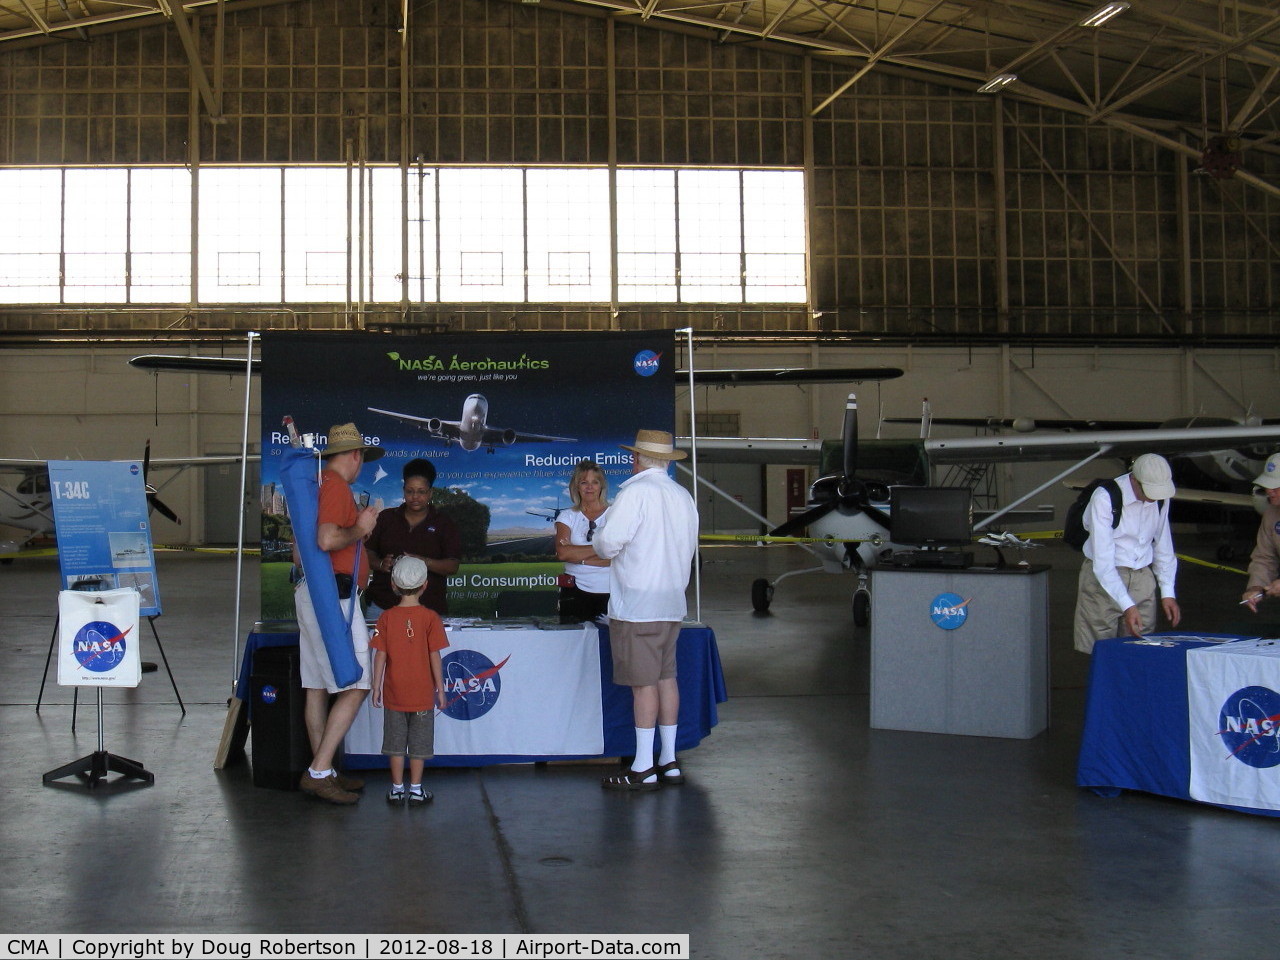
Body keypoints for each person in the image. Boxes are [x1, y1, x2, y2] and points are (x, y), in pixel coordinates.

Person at [591, 429, 699, 791]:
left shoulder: (635, 493)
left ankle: (642, 766)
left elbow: (607, 545)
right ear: (666, 461)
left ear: (636, 459)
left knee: (643, 686)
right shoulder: (682, 495)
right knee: (667, 678)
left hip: (638, 604)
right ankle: (668, 760)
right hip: (672, 602)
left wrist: (598, 534)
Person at [298, 422, 383, 804]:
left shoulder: (317, 485)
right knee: (357, 682)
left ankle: (325, 770)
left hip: (315, 593)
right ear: (355, 455)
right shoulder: (335, 485)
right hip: (335, 597)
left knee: (316, 686)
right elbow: (327, 538)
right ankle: (319, 771)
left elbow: (303, 548)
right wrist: (361, 527)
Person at [1073, 452, 1181, 653]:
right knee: (1100, 649)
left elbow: (1164, 546)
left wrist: (1168, 592)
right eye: (1149, 491)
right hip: (1102, 580)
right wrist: (1128, 606)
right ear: (1134, 480)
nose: (1152, 498)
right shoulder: (1105, 497)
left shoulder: (1159, 499)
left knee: (1140, 646)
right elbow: (1103, 562)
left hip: (1141, 574)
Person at [370, 556, 448, 806]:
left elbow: (380, 655)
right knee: (419, 744)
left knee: (395, 743)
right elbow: (434, 656)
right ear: (425, 585)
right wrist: (441, 690)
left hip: (394, 694)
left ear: (393, 585)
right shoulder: (431, 618)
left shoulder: (386, 618)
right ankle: (416, 789)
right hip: (423, 694)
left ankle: (395, 789)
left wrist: (375, 686)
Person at [366, 458, 461, 618]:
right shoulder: (386, 518)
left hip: (429, 609)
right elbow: (367, 553)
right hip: (383, 606)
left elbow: (452, 566)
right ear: (403, 491)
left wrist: (422, 561)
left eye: (421, 491)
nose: (415, 497)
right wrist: (381, 563)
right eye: (410, 491)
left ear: (430, 492)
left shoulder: (444, 523)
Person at [554, 459, 611, 623]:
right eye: (584, 482)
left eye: (595, 482)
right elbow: (563, 553)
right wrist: (603, 548)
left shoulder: (615, 515)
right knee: (573, 644)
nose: (590, 487)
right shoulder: (567, 516)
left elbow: (619, 555)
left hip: (611, 592)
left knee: (610, 645)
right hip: (574, 592)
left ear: (602, 486)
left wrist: (579, 556)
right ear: (576, 486)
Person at [1240, 452, 1280, 613]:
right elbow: (1264, 557)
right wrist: (1256, 587)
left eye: (1277, 486)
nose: (1270, 491)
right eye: (1267, 485)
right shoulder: (1271, 514)